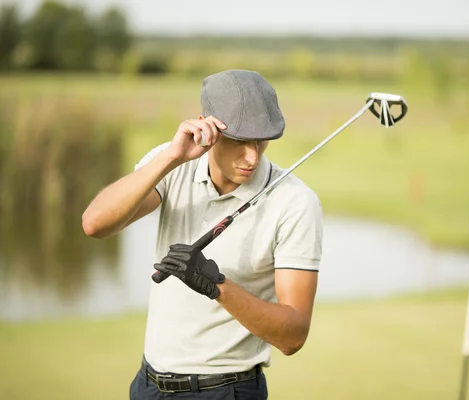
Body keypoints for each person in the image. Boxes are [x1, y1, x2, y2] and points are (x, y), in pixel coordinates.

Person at [82, 69, 323, 400]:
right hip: (148, 385)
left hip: (228, 390)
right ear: (207, 127)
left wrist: (215, 285)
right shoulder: (173, 165)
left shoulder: (295, 203)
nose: (252, 156)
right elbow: (95, 224)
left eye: (261, 140)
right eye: (239, 140)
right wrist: (170, 157)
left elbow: (293, 336)